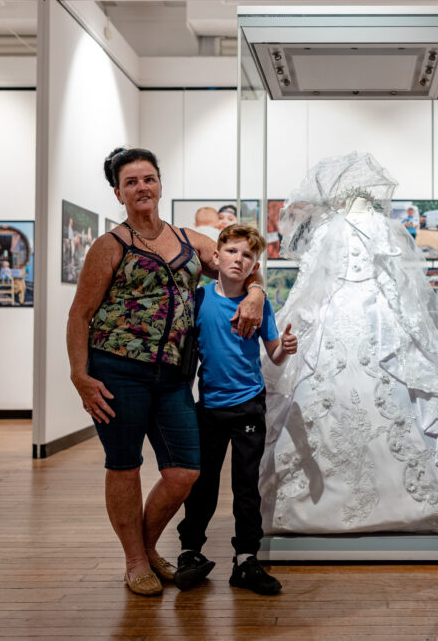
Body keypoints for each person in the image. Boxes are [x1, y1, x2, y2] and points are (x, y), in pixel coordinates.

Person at [66, 146, 267, 596]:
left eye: (148, 179)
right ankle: (137, 560)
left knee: (184, 472)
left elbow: (240, 266)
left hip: (175, 376)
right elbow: (79, 315)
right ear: (118, 193)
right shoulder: (109, 246)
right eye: (131, 182)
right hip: (117, 372)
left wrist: (256, 294)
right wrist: (80, 376)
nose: (142, 187)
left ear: (160, 184)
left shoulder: (190, 240)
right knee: (125, 466)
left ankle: (149, 546)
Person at [260, 152, 438, 537]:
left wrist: (298, 321)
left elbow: (310, 285)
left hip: (338, 314)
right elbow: (397, 285)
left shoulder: (328, 228)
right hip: (375, 314)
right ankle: (411, 507)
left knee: (329, 396)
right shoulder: (382, 226)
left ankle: (311, 512)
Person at [174, 225, 298, 596]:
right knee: (202, 486)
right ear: (217, 256)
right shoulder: (199, 300)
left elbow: (273, 355)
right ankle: (190, 551)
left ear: (254, 266)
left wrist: (286, 347)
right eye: (231, 252)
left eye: (246, 256)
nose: (237, 259)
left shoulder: (263, 305)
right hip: (208, 408)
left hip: (248, 408)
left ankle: (245, 559)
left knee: (246, 489)